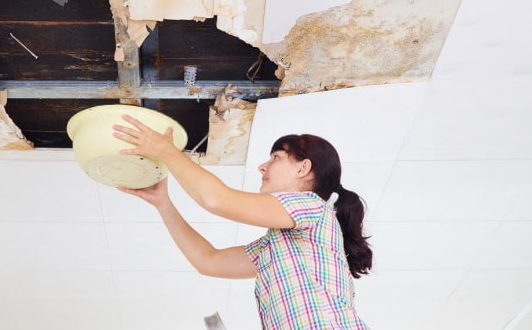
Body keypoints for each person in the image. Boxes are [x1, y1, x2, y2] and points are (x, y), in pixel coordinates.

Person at [113, 114, 372, 330]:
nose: (262, 166)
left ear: (302, 169)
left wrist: (167, 153)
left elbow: (217, 200)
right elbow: (209, 261)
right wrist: (163, 203)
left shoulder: (312, 206)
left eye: (276, 157)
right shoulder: (275, 247)